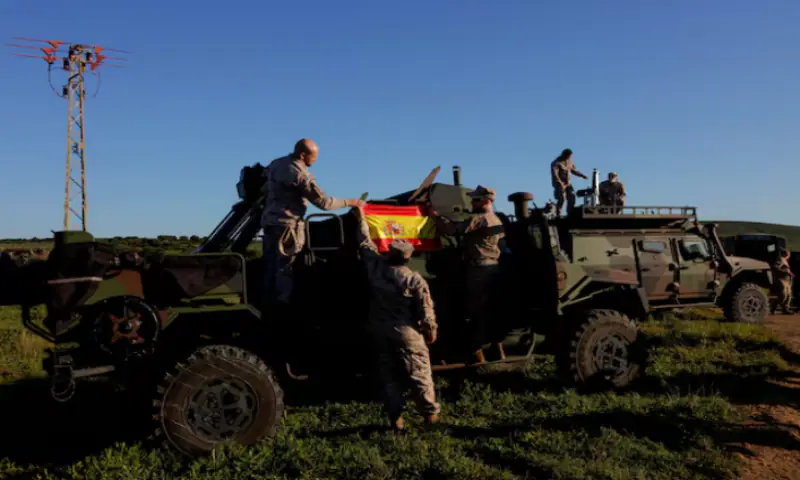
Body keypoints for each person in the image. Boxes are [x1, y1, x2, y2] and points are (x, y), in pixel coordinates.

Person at [351, 205, 440, 431]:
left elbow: (364, 242)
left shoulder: (375, 267)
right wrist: (430, 334)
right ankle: (430, 418)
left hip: (380, 330)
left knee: (390, 378)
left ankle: (396, 421)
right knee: (420, 375)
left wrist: (361, 217)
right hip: (407, 333)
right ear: (409, 258)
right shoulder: (415, 280)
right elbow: (426, 314)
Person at [260, 139, 365, 309]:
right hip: (288, 227)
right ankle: (282, 311)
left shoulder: (277, 164)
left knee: (270, 268)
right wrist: (352, 202)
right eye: (313, 157)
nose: (315, 160)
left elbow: (264, 185)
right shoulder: (300, 174)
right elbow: (323, 203)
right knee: (286, 269)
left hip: (270, 223)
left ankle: (266, 304)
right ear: (303, 155)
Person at [428, 185, 506, 364]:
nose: (472, 202)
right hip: (493, 267)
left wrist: (435, 216)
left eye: (476, 199)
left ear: (486, 201)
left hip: (478, 270)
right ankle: (498, 349)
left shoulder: (479, 219)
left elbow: (452, 230)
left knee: (475, 311)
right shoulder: (497, 219)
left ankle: (477, 356)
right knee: (490, 310)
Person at [550, 148, 588, 216]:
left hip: (568, 183)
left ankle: (570, 213)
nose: (569, 158)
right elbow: (555, 175)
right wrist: (560, 184)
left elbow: (573, 170)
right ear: (564, 155)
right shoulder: (556, 163)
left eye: (570, 157)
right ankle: (558, 214)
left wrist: (582, 175)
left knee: (572, 197)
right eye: (568, 156)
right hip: (559, 183)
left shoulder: (570, 161)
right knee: (562, 199)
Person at [772, 250, 794, 314]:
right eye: (788, 252)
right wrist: (785, 271)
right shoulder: (780, 259)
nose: (789, 253)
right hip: (782, 279)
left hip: (788, 280)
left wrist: (790, 273)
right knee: (783, 294)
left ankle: (786, 309)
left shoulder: (786, 260)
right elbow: (775, 267)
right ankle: (773, 306)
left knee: (789, 295)